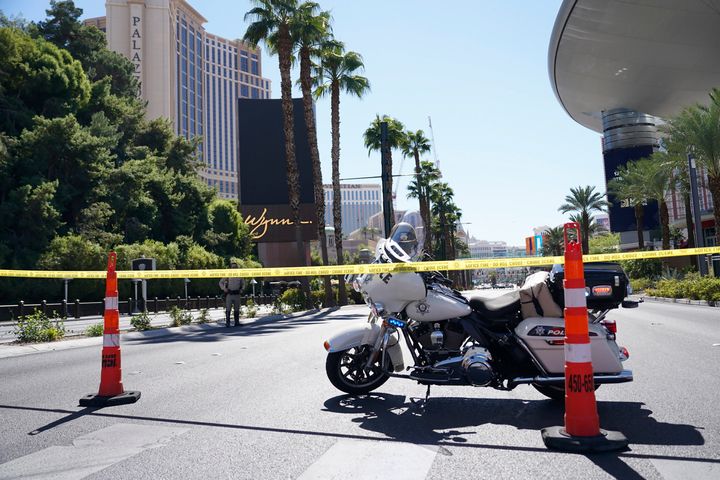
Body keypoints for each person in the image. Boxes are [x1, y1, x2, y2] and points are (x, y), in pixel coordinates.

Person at [219, 261, 244, 327]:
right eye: (233, 267)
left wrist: (242, 289)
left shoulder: (240, 275)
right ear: (230, 268)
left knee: (237, 309)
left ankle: (237, 322)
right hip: (229, 294)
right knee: (228, 309)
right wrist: (224, 288)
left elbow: (243, 283)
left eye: (235, 267)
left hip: (237, 294)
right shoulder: (228, 274)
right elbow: (220, 282)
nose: (234, 268)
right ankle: (228, 323)